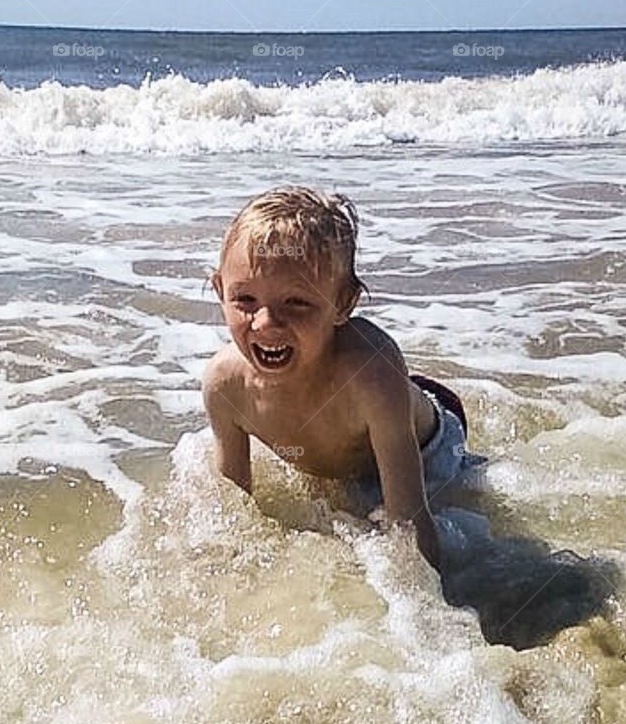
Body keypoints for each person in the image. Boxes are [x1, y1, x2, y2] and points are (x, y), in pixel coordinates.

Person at [202, 187, 480, 573]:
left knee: (467, 532)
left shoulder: (371, 372)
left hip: (429, 447)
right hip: (355, 438)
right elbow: (233, 505)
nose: (265, 323)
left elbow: (410, 520)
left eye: (296, 303)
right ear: (219, 291)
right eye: (245, 300)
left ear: (344, 303)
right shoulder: (225, 385)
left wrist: (426, 618)